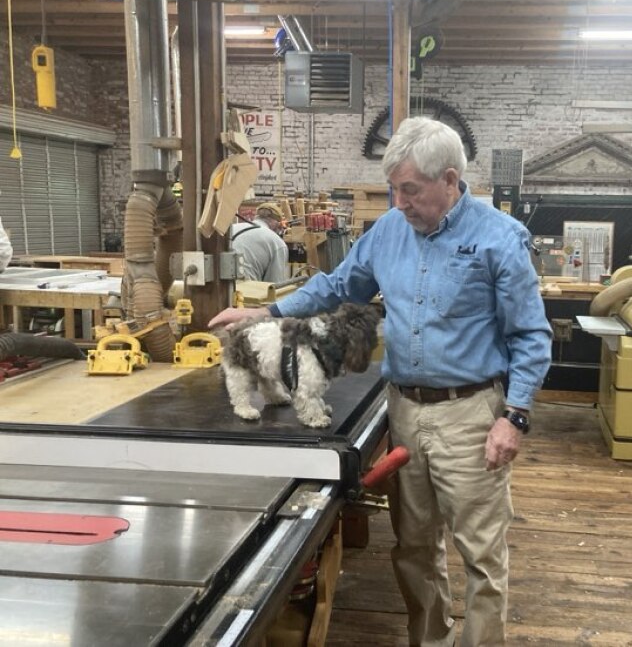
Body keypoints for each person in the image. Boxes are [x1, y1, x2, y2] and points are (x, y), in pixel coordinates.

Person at [208, 117, 552, 646]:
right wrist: (266, 312)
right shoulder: (390, 231)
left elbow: (532, 335)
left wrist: (516, 416)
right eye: (394, 189)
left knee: (481, 554)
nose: (399, 202)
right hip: (406, 412)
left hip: (471, 414)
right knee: (414, 548)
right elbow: (338, 284)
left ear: (450, 180)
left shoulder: (499, 239)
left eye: (410, 190)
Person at [230, 201, 289, 283]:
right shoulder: (276, 242)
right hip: (245, 291)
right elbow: (275, 286)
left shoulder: (233, 227)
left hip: (217, 288)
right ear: (276, 223)